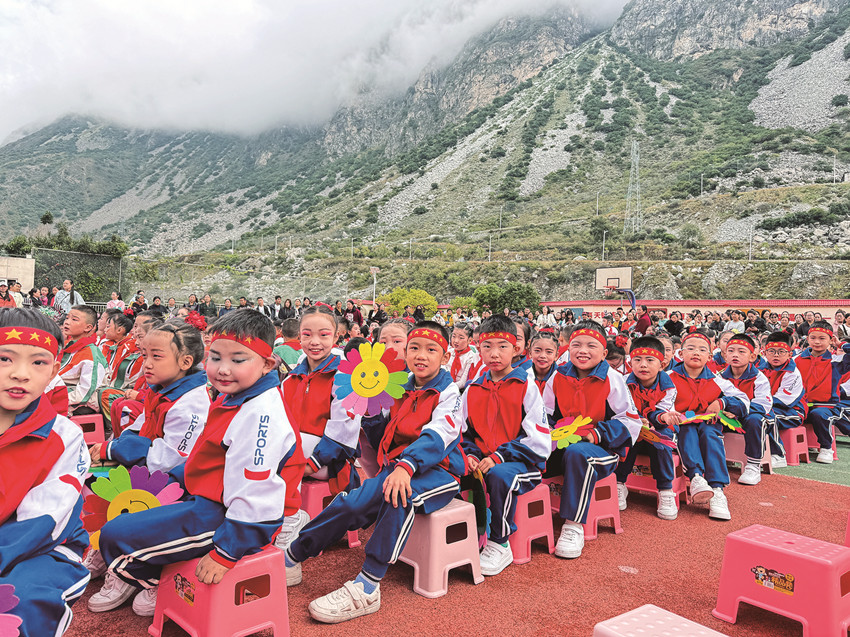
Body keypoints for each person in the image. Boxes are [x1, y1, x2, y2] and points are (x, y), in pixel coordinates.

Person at [94, 311, 294, 615]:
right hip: (206, 495)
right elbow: (203, 457)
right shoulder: (233, 395)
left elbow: (257, 494)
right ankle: (151, 565)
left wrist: (226, 553)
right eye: (215, 357)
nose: (223, 369)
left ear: (267, 364)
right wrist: (171, 482)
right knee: (130, 499)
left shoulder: (260, 414)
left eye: (238, 360)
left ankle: (152, 577)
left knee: (116, 535)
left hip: (227, 517)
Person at [284, 322, 464, 623]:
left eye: (431, 350)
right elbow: (382, 435)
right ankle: (293, 555)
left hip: (440, 472)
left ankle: (368, 585)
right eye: (414, 348)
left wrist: (406, 466)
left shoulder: (449, 391)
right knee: (352, 502)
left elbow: (439, 435)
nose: (421, 355)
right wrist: (369, 411)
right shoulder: (398, 386)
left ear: (445, 357)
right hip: (398, 467)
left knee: (399, 496)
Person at [85, 322, 210, 613]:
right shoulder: (162, 390)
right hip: (154, 468)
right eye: (144, 355)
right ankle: (106, 547)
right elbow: (139, 427)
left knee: (127, 493)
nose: (147, 364)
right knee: (95, 478)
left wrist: (118, 450)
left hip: (179, 483)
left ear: (185, 362)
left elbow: (170, 460)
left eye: (156, 356)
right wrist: (114, 448)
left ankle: (134, 569)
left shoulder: (192, 402)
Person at [0, 308, 92, 636]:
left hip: (43, 548)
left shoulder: (65, 437)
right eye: (5, 359)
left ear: (54, 370)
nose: (20, 374)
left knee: (19, 603)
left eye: (38, 362)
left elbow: (41, 522)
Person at [457, 316, 550, 575]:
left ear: (517, 349)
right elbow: (463, 432)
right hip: (483, 461)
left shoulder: (526, 386)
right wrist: (470, 455)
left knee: (499, 476)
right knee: (450, 469)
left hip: (521, 465)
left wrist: (499, 457)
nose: (494, 354)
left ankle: (500, 541)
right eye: (487, 347)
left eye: (502, 346)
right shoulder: (473, 388)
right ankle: (464, 535)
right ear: (478, 348)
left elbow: (538, 439)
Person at [548, 320, 640, 558]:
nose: (583, 351)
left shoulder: (613, 379)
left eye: (591, 345)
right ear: (568, 348)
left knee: (578, 454)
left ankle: (573, 525)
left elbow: (631, 422)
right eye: (576, 345)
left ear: (604, 353)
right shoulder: (557, 376)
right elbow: (544, 414)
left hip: (603, 451)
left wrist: (597, 434)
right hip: (562, 445)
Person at [275, 306, 359, 551]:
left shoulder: (345, 376)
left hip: (329, 462)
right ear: (298, 336)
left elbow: (344, 431)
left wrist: (313, 462)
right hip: (295, 455)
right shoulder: (292, 378)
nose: (314, 341)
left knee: (285, 452)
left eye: (323, 335)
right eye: (307, 334)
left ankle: (289, 521)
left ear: (336, 337)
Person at [667, 330, 750, 520]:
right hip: (680, 425)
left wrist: (723, 402)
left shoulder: (717, 380)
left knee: (710, 434)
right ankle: (696, 477)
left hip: (708, 424)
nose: (696, 352)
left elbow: (744, 401)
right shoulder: (668, 377)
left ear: (710, 356)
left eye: (702, 349)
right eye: (691, 348)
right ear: (681, 353)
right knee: (688, 431)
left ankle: (717, 489)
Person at [614, 336, 680, 520]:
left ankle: (665, 490)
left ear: (662, 364)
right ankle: (619, 483)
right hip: (633, 426)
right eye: (637, 360)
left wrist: (662, 418)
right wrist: (637, 421)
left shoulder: (669, 387)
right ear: (630, 363)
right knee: (626, 436)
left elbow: (661, 411)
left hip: (658, 427)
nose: (643, 365)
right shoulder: (622, 382)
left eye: (650, 360)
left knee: (661, 442)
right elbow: (622, 408)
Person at [719, 334, 773, 486]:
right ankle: (714, 460)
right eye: (731, 351)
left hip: (752, 416)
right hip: (727, 416)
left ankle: (753, 465)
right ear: (725, 355)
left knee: (755, 420)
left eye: (741, 351)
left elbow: (763, 405)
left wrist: (738, 411)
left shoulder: (759, 378)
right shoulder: (720, 377)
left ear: (752, 356)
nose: (735, 355)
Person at [794, 321, 850, 463]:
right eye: (813, 338)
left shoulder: (836, 361)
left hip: (827, 407)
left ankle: (826, 448)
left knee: (819, 414)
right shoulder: (796, 360)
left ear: (831, 340)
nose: (817, 342)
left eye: (822, 338)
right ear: (807, 339)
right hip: (802, 406)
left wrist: (841, 344)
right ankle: (779, 451)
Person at [762, 331, 807, 467]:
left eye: (781, 351)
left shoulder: (793, 373)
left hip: (793, 411)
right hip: (767, 407)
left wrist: (757, 404)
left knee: (767, 417)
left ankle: (778, 454)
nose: (776, 355)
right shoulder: (759, 369)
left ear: (789, 354)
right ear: (765, 353)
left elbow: (784, 401)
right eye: (771, 351)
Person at [59, 305, 107, 415]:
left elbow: (86, 391)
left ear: (88, 327)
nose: (67, 322)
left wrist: (57, 399)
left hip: (82, 402)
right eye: (67, 318)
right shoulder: (69, 346)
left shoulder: (91, 353)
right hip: (64, 392)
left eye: (74, 319)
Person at [444, 322, 479, 390]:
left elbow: (463, 383)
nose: (456, 341)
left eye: (461, 338)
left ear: (469, 340)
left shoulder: (471, 357)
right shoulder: (449, 352)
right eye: (453, 336)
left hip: (458, 390)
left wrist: (448, 389)